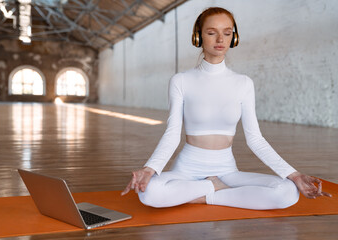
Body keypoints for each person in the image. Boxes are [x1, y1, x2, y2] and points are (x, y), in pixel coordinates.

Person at [121, 7, 331, 209]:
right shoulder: (181, 81)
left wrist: (293, 174)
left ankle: (201, 195)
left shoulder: (244, 83)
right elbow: (172, 133)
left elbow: (255, 139)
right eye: (212, 33)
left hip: (226, 170)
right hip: (187, 169)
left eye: (227, 33)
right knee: (148, 192)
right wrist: (150, 169)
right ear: (198, 37)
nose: (220, 40)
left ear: (234, 37)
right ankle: (214, 188)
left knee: (287, 192)